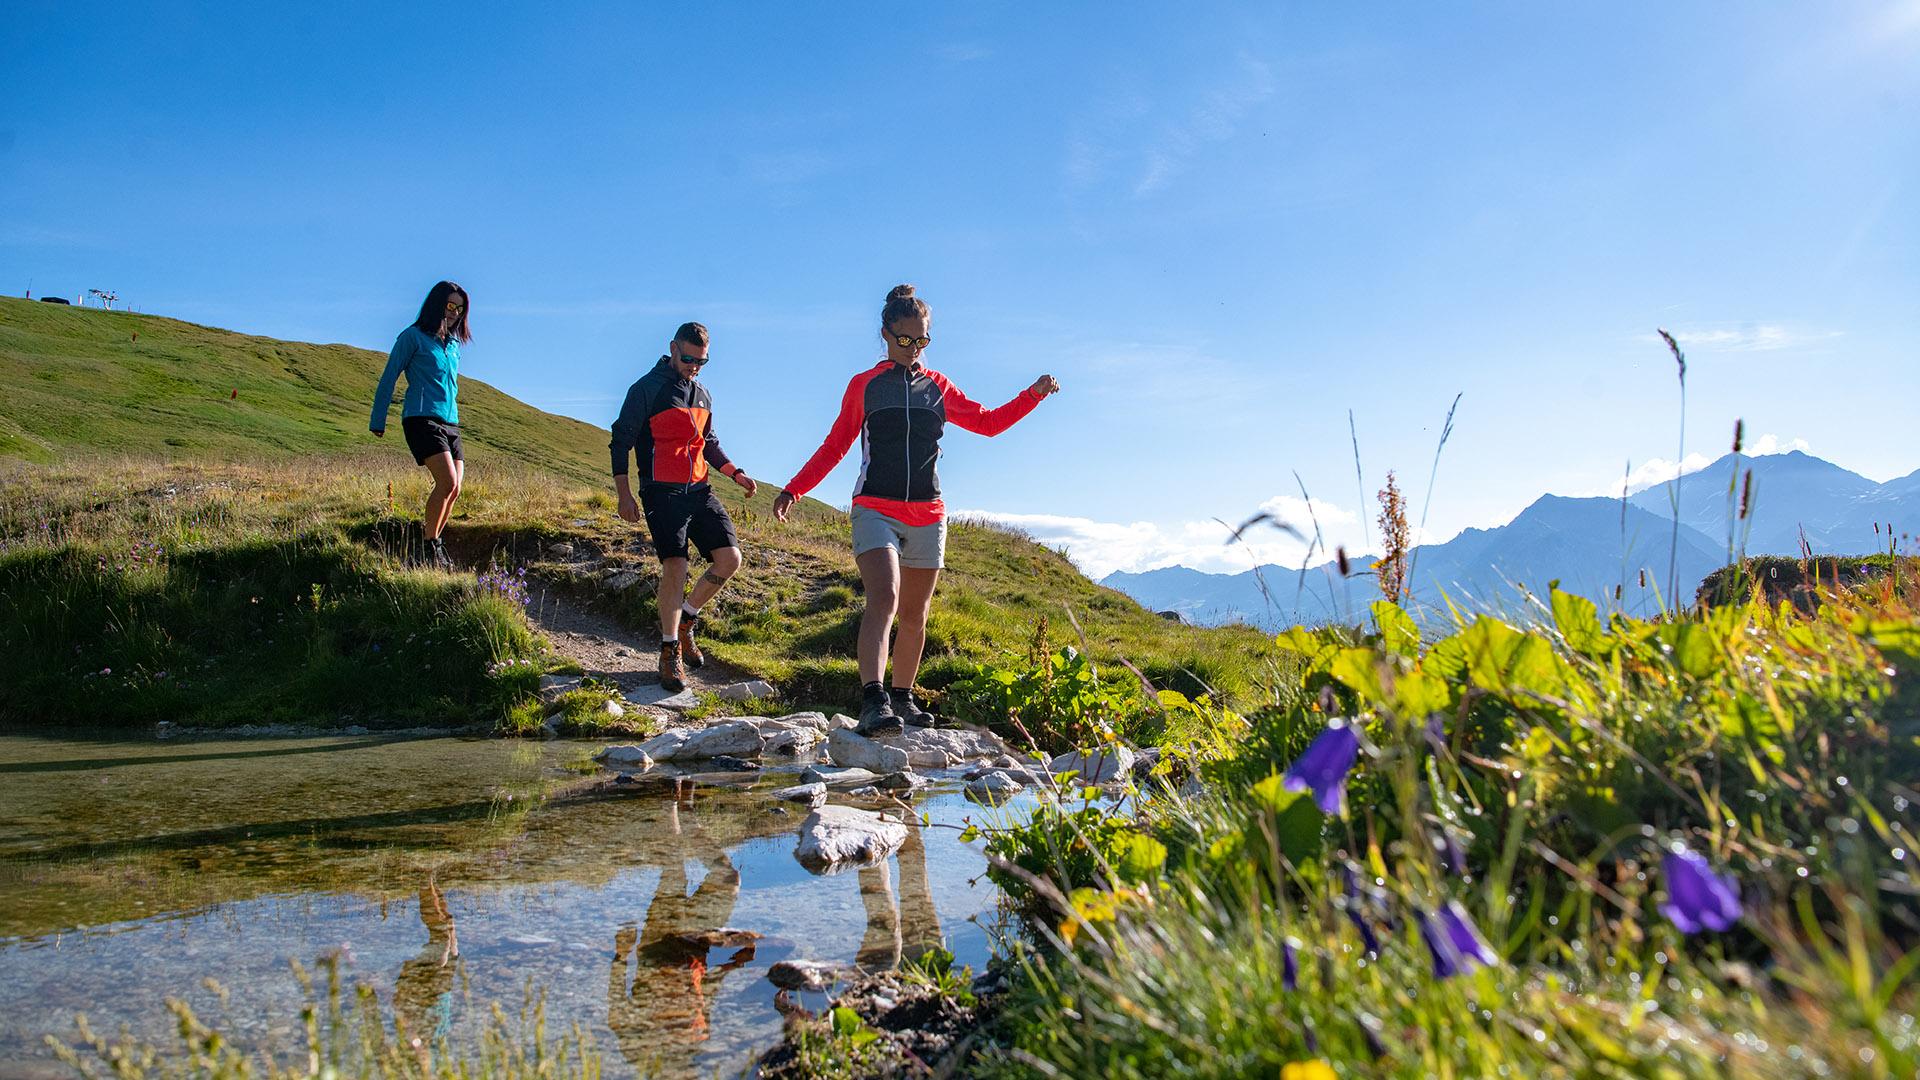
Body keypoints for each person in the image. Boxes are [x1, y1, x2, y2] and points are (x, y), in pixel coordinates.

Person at [774, 285, 1060, 735]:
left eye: (922, 341)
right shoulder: (864, 386)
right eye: (905, 340)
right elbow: (835, 445)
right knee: (883, 599)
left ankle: (903, 700)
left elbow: (987, 424)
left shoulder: (938, 386)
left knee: (916, 613)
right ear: (885, 334)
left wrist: (1033, 394)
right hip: (875, 507)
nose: (913, 349)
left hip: (928, 510)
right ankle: (873, 701)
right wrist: (794, 490)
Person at [610, 322, 757, 693]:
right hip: (661, 491)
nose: (694, 366)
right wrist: (624, 494)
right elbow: (620, 440)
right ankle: (669, 648)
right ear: (673, 348)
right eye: (689, 358)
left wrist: (735, 473)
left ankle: (688, 618)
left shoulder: (702, 393)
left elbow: (708, 441)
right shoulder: (647, 389)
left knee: (730, 560)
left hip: (700, 489)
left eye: (702, 361)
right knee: (676, 564)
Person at [370, 281, 471, 570]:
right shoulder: (412, 337)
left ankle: (435, 544)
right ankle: (427, 547)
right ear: (436, 304)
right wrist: (378, 420)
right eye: (450, 306)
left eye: (460, 309)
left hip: (451, 422)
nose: (454, 313)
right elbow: (389, 376)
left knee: (456, 489)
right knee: (447, 482)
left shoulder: (453, 346)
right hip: (421, 419)